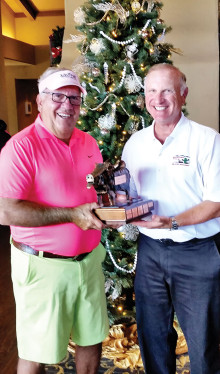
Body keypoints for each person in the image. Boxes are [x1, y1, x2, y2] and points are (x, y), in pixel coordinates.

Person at [0, 67, 110, 374]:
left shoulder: (88, 142)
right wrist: (71, 216)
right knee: (36, 352)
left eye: (74, 98)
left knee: (92, 339)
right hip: (43, 267)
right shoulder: (21, 147)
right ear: (40, 101)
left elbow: (95, 192)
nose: (67, 105)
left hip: (88, 264)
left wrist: (111, 210)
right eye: (58, 96)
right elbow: (5, 211)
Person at [122, 63, 220, 374]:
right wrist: (116, 207)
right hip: (150, 251)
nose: (158, 98)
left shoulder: (207, 140)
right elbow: (130, 197)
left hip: (198, 251)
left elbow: (217, 202)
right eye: (151, 90)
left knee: (203, 340)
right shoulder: (135, 144)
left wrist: (172, 222)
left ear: (183, 94)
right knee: (152, 337)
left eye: (167, 90)